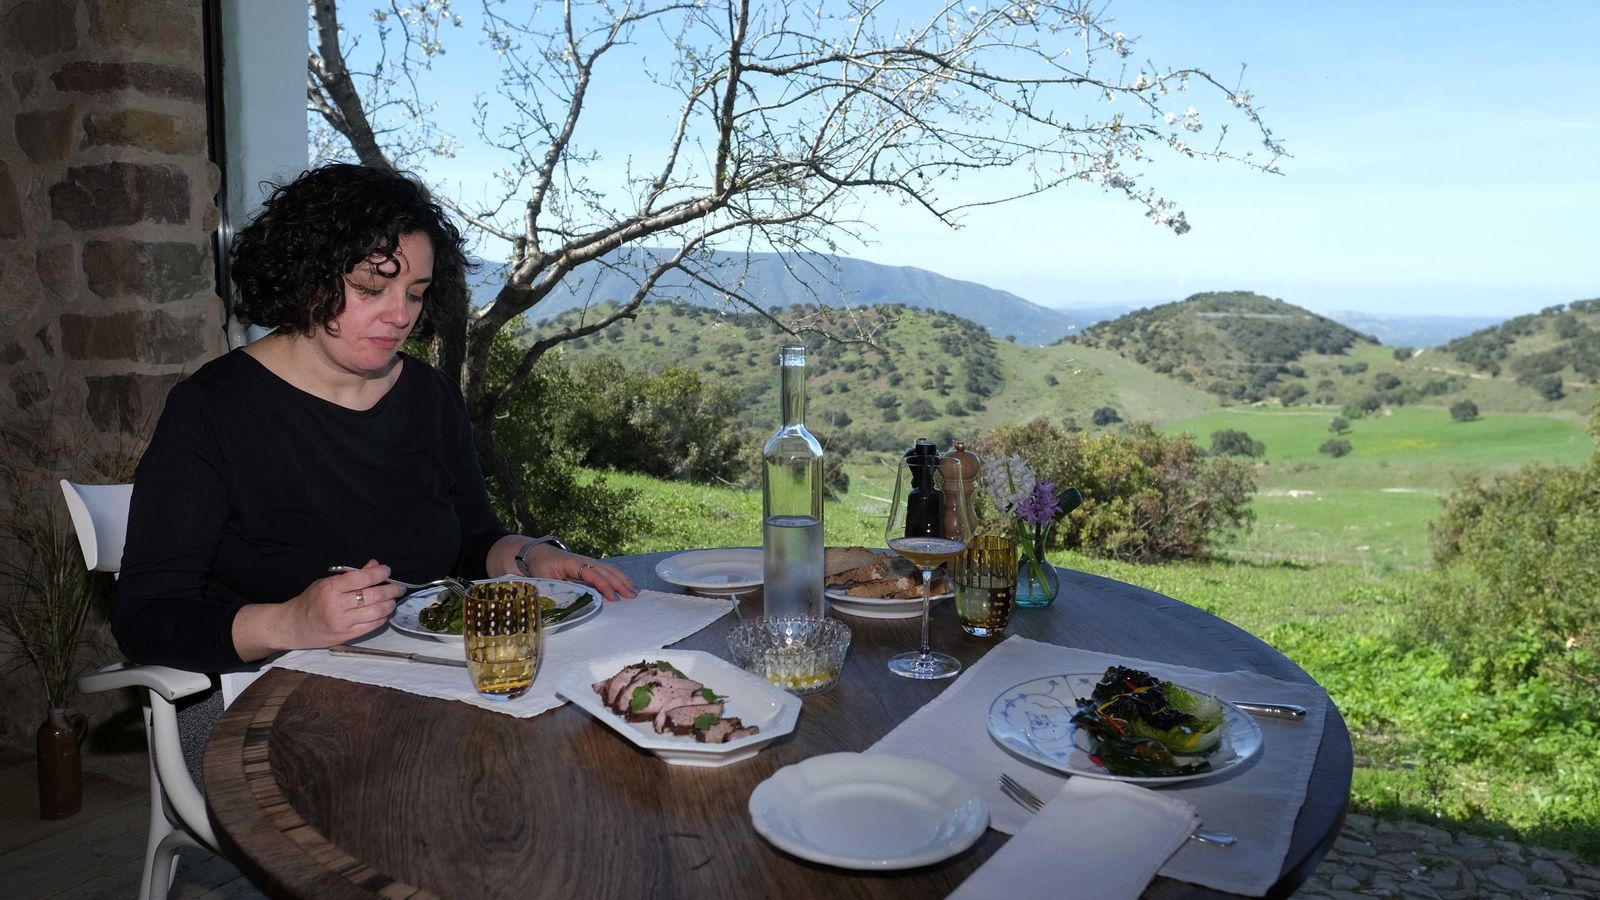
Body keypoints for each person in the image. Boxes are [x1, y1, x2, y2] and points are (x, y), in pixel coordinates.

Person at [112, 163, 637, 676]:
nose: (400, 315)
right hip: (258, 685)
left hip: (427, 675)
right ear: (307, 278)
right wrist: (289, 623)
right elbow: (144, 619)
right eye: (370, 288)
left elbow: (472, 545)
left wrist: (530, 559)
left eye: (415, 293)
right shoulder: (213, 409)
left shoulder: (430, 395)